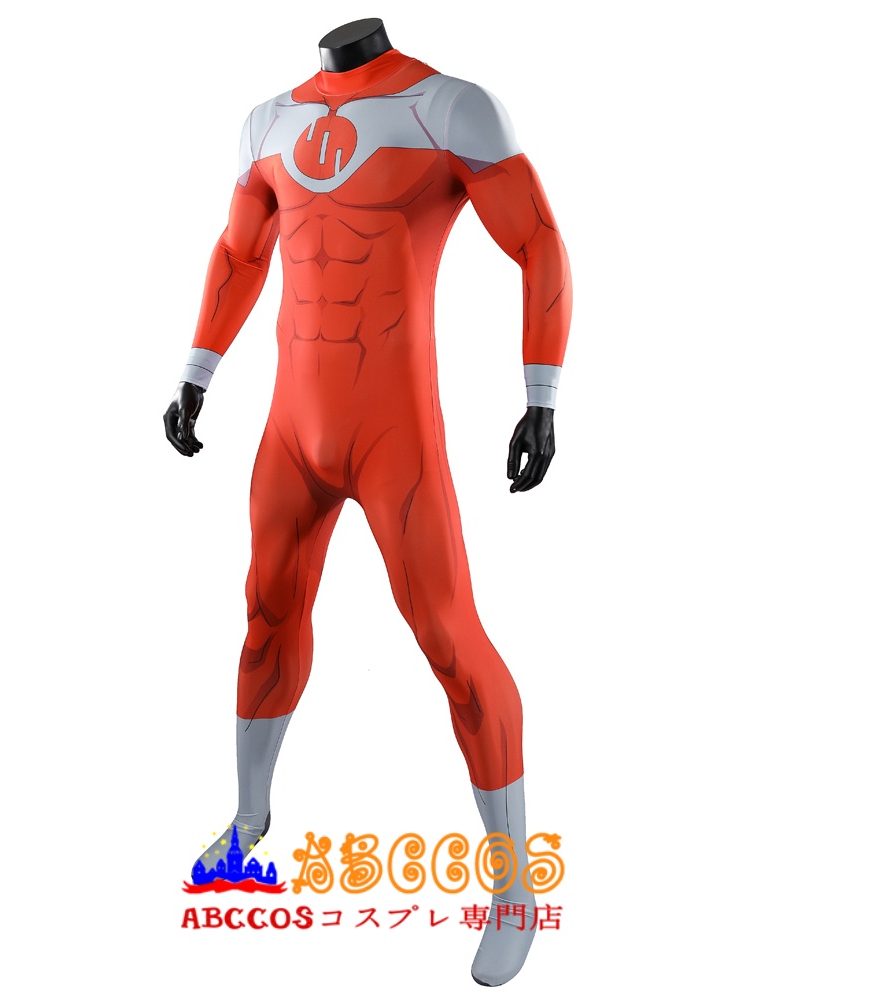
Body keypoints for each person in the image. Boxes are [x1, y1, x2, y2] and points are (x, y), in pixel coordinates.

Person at [163, 18, 572, 986]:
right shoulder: (265, 122)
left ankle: (513, 886)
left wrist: (541, 394)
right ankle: (250, 824)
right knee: (264, 620)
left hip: (395, 437)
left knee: (448, 637)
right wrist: (195, 373)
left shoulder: (448, 106)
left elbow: (538, 241)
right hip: (290, 433)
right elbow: (238, 256)